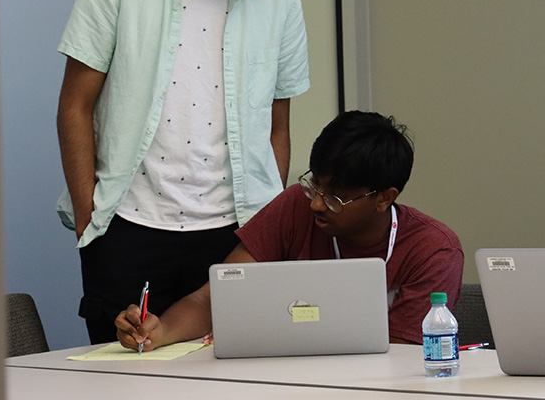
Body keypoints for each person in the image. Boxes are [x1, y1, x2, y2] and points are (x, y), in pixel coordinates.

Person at [56, 0, 309, 343]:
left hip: (235, 232)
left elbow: (276, 125)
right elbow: (75, 106)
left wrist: (265, 223)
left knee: (236, 376)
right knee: (123, 375)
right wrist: (91, 224)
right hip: (128, 227)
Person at [115, 111, 464, 349]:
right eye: (315, 185)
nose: (316, 203)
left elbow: (403, 357)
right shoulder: (296, 205)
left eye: (336, 197)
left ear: (384, 198)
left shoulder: (433, 249)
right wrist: (161, 331)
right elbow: (215, 298)